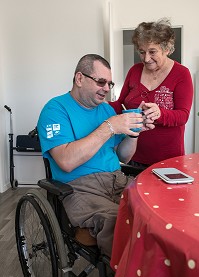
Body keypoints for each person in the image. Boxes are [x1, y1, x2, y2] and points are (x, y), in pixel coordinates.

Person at [37, 54, 154, 257]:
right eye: (101, 82)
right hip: (81, 188)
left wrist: (134, 133)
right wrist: (109, 127)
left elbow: (124, 157)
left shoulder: (107, 110)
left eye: (110, 83)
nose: (107, 89)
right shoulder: (55, 109)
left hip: (116, 179)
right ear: (79, 78)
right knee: (121, 224)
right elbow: (66, 161)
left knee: (154, 214)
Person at [110, 18, 193, 172]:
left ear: (166, 49)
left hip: (168, 159)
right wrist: (95, 103)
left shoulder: (181, 74)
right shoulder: (134, 71)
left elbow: (183, 115)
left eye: (152, 52)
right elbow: (119, 104)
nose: (146, 58)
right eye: (142, 52)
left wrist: (159, 114)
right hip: (132, 156)